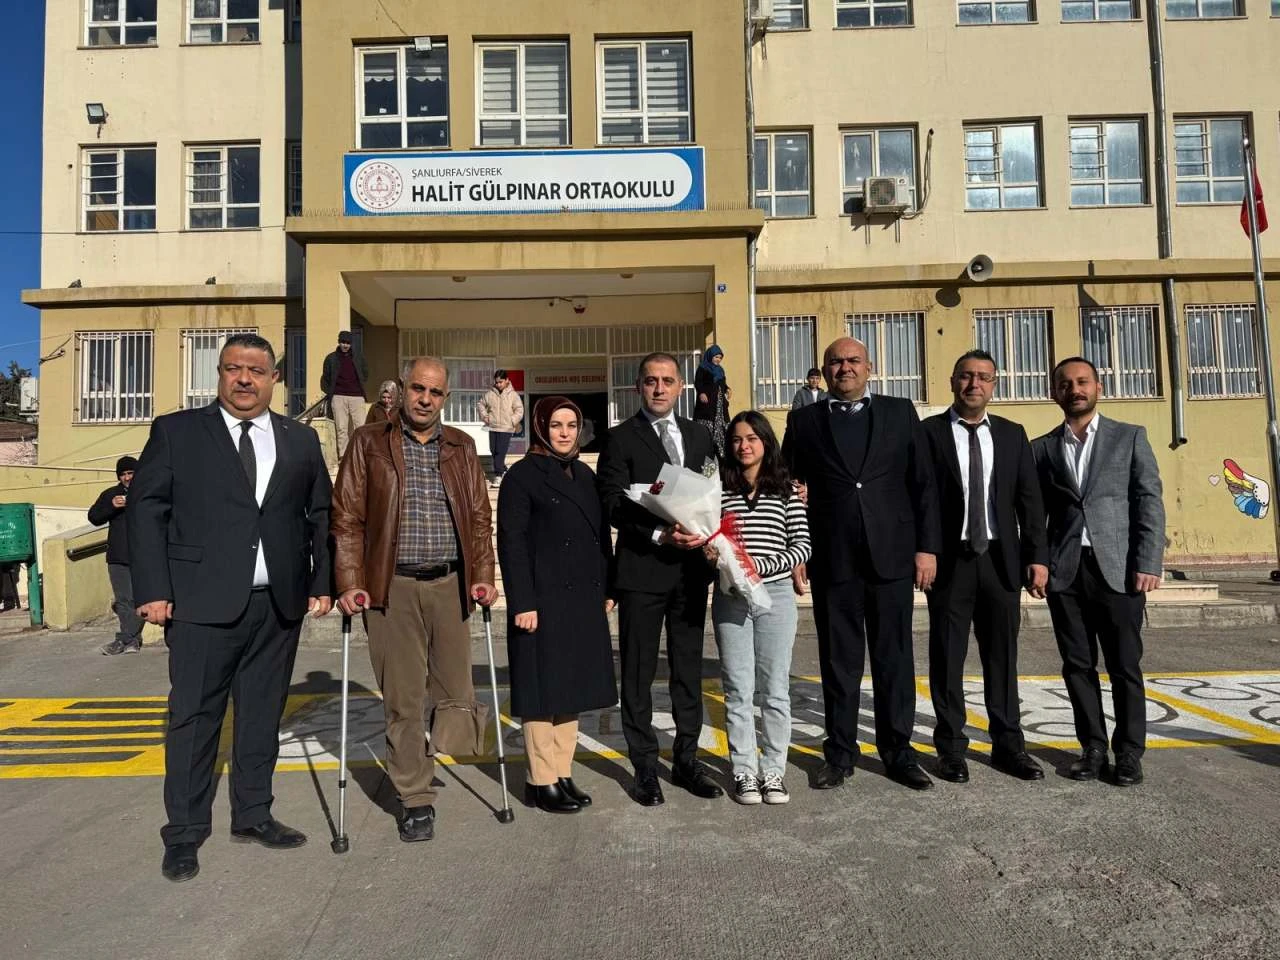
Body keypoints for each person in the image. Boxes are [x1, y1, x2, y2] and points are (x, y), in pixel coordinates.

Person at [128, 333, 332, 884]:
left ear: (273, 380)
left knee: (262, 716)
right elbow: (147, 511)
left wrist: (321, 582)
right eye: (233, 369)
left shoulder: (300, 440)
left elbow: (319, 515)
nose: (244, 379)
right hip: (199, 604)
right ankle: (184, 832)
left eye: (256, 371)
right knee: (194, 719)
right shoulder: (177, 432)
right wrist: (152, 589)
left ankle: (254, 814)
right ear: (219, 374)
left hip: (278, 605)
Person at [332, 356, 497, 842]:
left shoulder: (461, 445)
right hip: (392, 587)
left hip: (450, 585)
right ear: (402, 389)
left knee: (455, 694)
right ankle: (416, 794)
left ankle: (435, 754)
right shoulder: (369, 442)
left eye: (435, 392)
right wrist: (350, 581)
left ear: (447, 397)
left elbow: (479, 517)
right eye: (418, 389)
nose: (425, 399)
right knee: (403, 698)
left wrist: (482, 575)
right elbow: (346, 516)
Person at [782, 337, 940, 792]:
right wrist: (796, 549)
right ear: (825, 370)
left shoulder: (899, 412)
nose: (845, 368)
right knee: (839, 662)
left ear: (869, 367)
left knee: (895, 660)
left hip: (892, 557)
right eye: (836, 362)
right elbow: (786, 486)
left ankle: (899, 752)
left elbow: (923, 484)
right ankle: (840, 753)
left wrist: (927, 548)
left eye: (853, 360)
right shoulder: (805, 420)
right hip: (833, 559)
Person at [1032, 357, 1165, 787]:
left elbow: (1148, 500)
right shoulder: (1042, 448)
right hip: (1066, 572)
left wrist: (1148, 561)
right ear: (1054, 393)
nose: (1075, 389)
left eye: (1083, 382)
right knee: (1077, 665)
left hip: (1119, 570)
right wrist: (1037, 563)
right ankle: (1092, 747)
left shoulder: (1129, 437)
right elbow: (1034, 514)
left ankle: (1128, 753)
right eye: (1065, 384)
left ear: (1098, 387)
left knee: (1125, 664)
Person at [596, 351, 723, 806]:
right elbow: (611, 502)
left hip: (691, 573)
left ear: (680, 386)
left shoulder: (699, 435)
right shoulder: (619, 438)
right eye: (651, 381)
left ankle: (687, 760)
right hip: (642, 571)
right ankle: (645, 767)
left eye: (668, 380)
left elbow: (714, 491)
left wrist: (709, 536)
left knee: (687, 671)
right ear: (638, 387)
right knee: (638, 673)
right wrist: (658, 533)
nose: (659, 388)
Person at [918, 350, 1048, 784]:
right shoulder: (929, 433)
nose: (974, 384)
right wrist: (924, 549)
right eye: (966, 376)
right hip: (950, 560)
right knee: (947, 655)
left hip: (1000, 560)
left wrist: (1037, 556)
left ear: (994, 384)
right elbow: (921, 497)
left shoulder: (1012, 434)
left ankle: (1009, 746)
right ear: (952, 382)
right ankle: (951, 748)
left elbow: (1030, 501)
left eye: (983, 377)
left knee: (1002, 656)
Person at [497, 396, 617, 814]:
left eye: (571, 425)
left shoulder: (585, 474)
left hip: (582, 598)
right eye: (556, 425)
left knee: (571, 689)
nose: (564, 433)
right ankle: (540, 779)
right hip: (541, 600)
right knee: (541, 692)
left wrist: (607, 586)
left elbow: (600, 536)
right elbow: (511, 543)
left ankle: (562, 772)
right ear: (540, 428)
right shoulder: (521, 476)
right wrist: (522, 601)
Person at [706, 411, 810, 805]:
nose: (744, 446)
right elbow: (709, 539)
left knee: (775, 689)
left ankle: (773, 771)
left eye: (752, 438)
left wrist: (758, 567)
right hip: (731, 598)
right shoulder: (719, 492)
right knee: (737, 689)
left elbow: (802, 545)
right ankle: (745, 771)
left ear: (766, 442)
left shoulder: (787, 490)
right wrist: (711, 555)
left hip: (776, 596)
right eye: (736, 439)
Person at [88, 455, 144, 655]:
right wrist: (111, 506)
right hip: (118, 556)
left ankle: (125, 639)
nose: (127, 478)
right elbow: (94, 517)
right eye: (123, 474)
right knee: (123, 600)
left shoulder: (147, 491)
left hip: (143, 556)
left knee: (139, 599)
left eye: (130, 473)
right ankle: (131, 640)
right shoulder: (111, 494)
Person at [320, 330, 369, 460]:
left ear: (351, 343)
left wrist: (359, 385)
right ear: (339, 342)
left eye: (348, 343)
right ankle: (344, 456)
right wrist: (331, 392)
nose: (345, 345)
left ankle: (362, 454)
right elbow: (325, 378)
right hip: (338, 396)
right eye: (343, 342)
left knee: (361, 427)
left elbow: (365, 373)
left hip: (357, 396)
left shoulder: (358, 357)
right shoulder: (331, 358)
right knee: (341, 428)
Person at [477, 369, 524, 487]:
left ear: (507, 380)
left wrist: (512, 420)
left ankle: (498, 475)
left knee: (500, 451)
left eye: (500, 382)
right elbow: (480, 404)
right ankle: (503, 468)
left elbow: (519, 410)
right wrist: (485, 417)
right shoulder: (490, 394)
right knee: (493, 450)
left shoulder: (513, 395)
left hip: (506, 428)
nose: (498, 384)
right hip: (493, 427)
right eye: (496, 382)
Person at [693, 344, 731, 457]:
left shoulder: (720, 370)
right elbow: (698, 382)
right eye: (716, 357)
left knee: (721, 429)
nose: (718, 359)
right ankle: (707, 455)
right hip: (707, 404)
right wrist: (701, 392)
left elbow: (722, 384)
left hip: (719, 405)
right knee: (706, 430)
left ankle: (721, 456)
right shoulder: (703, 368)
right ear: (710, 356)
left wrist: (727, 389)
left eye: (720, 358)